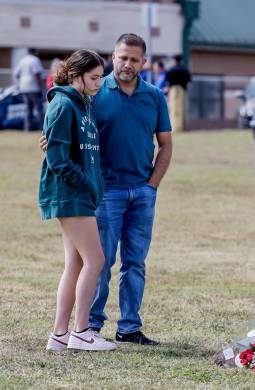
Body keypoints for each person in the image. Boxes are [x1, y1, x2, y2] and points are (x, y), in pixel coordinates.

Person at [40, 33, 172, 346]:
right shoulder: (92, 92)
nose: (127, 64)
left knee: (133, 263)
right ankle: (89, 328)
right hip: (102, 193)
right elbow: (63, 132)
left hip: (141, 191)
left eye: (134, 59)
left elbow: (166, 144)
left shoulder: (154, 96)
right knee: (98, 262)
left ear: (143, 62)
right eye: (121, 57)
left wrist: (152, 186)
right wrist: (50, 144)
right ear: (113, 57)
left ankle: (127, 329)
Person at [40, 49, 116, 352]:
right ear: (75, 75)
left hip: (80, 194)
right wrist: (88, 185)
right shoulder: (62, 104)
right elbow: (58, 160)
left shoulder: (83, 104)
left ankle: (59, 336)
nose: (99, 83)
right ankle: (82, 332)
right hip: (69, 194)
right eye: (94, 77)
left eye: (101, 77)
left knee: (75, 263)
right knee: (95, 260)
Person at [13, 48, 44, 131]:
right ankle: (42, 128)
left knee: (28, 109)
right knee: (39, 109)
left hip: (24, 88)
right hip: (33, 88)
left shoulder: (22, 60)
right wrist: (40, 88)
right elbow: (37, 74)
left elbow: (16, 74)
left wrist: (22, 80)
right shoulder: (35, 60)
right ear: (34, 52)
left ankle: (27, 128)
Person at [164, 55, 191, 132]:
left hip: (173, 90)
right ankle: (181, 127)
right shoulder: (185, 70)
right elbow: (188, 81)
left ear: (174, 61)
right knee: (182, 108)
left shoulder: (171, 70)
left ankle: (174, 128)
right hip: (182, 90)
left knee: (173, 109)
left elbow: (167, 83)